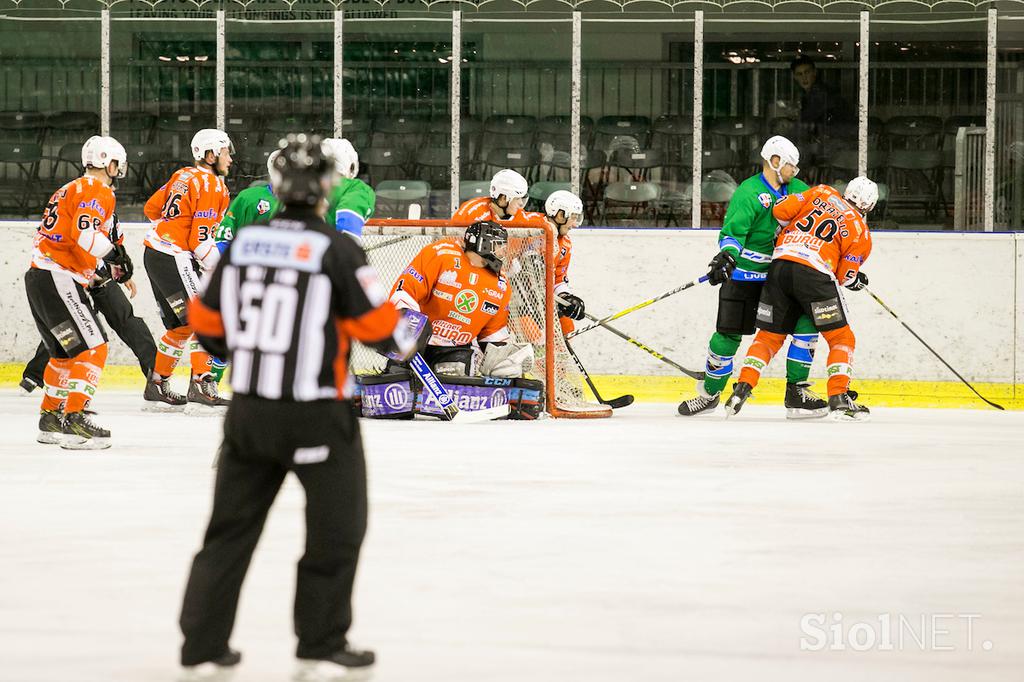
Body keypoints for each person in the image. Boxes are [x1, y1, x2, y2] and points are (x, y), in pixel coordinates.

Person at [178, 134, 426, 680]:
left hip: (249, 414)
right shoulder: (337, 250)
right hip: (318, 415)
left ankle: (201, 643)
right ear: (326, 189)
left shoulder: (242, 243)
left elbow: (207, 328)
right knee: (336, 530)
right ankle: (320, 639)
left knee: (229, 531)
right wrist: (411, 329)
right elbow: (381, 332)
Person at [677, 135, 829, 419]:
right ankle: (710, 394)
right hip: (746, 277)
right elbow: (733, 234)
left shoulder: (799, 190)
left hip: (784, 278)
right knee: (726, 337)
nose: (795, 172)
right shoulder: (748, 192)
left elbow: (820, 225)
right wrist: (727, 256)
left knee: (807, 325)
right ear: (775, 162)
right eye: (791, 166)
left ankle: (796, 394)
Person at [724, 177, 877, 421]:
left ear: (846, 192)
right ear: (869, 206)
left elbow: (780, 210)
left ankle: (743, 387)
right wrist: (857, 280)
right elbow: (845, 277)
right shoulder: (861, 231)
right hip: (814, 277)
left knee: (769, 337)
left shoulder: (822, 192)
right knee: (841, 338)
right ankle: (838, 396)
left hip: (780, 267)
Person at [25, 135, 134, 448]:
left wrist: (106, 265)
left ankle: (50, 417)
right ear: (107, 162)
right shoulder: (98, 190)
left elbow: (74, 237)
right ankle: (74, 418)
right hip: (59, 277)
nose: (118, 169)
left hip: (39, 276)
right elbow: (84, 234)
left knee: (62, 354)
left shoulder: (68, 188)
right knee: (94, 347)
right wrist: (115, 254)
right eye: (116, 163)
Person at [142, 128, 232, 411]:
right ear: (210, 154)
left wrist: (174, 226)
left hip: (154, 252)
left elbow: (151, 209)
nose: (230, 158)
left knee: (181, 327)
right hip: (173, 256)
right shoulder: (212, 185)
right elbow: (200, 241)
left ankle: (157, 383)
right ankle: (202, 384)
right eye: (226, 152)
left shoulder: (182, 175)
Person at [388, 220, 521, 376]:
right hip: (416, 341)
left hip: (456, 349)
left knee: (457, 381)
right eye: (498, 246)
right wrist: (409, 327)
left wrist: (503, 358)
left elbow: (493, 331)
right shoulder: (441, 254)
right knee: (396, 378)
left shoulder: (501, 284)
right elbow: (405, 290)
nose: (502, 252)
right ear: (483, 243)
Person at [541, 190, 587, 335]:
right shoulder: (530, 229)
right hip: (518, 303)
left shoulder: (565, 243)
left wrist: (566, 298)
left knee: (567, 328)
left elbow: (559, 278)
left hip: (543, 301)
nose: (574, 224)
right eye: (573, 218)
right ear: (560, 215)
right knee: (536, 336)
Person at [790, 55, 856, 154]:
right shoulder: (808, 94)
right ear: (795, 77)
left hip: (839, 143)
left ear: (814, 72)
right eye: (799, 74)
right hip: (830, 140)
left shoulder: (820, 93)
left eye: (807, 72)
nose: (804, 77)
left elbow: (806, 120)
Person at [452, 168, 532, 224]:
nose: (521, 203)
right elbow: (451, 241)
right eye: (517, 198)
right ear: (503, 198)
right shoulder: (472, 212)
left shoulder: (520, 216)